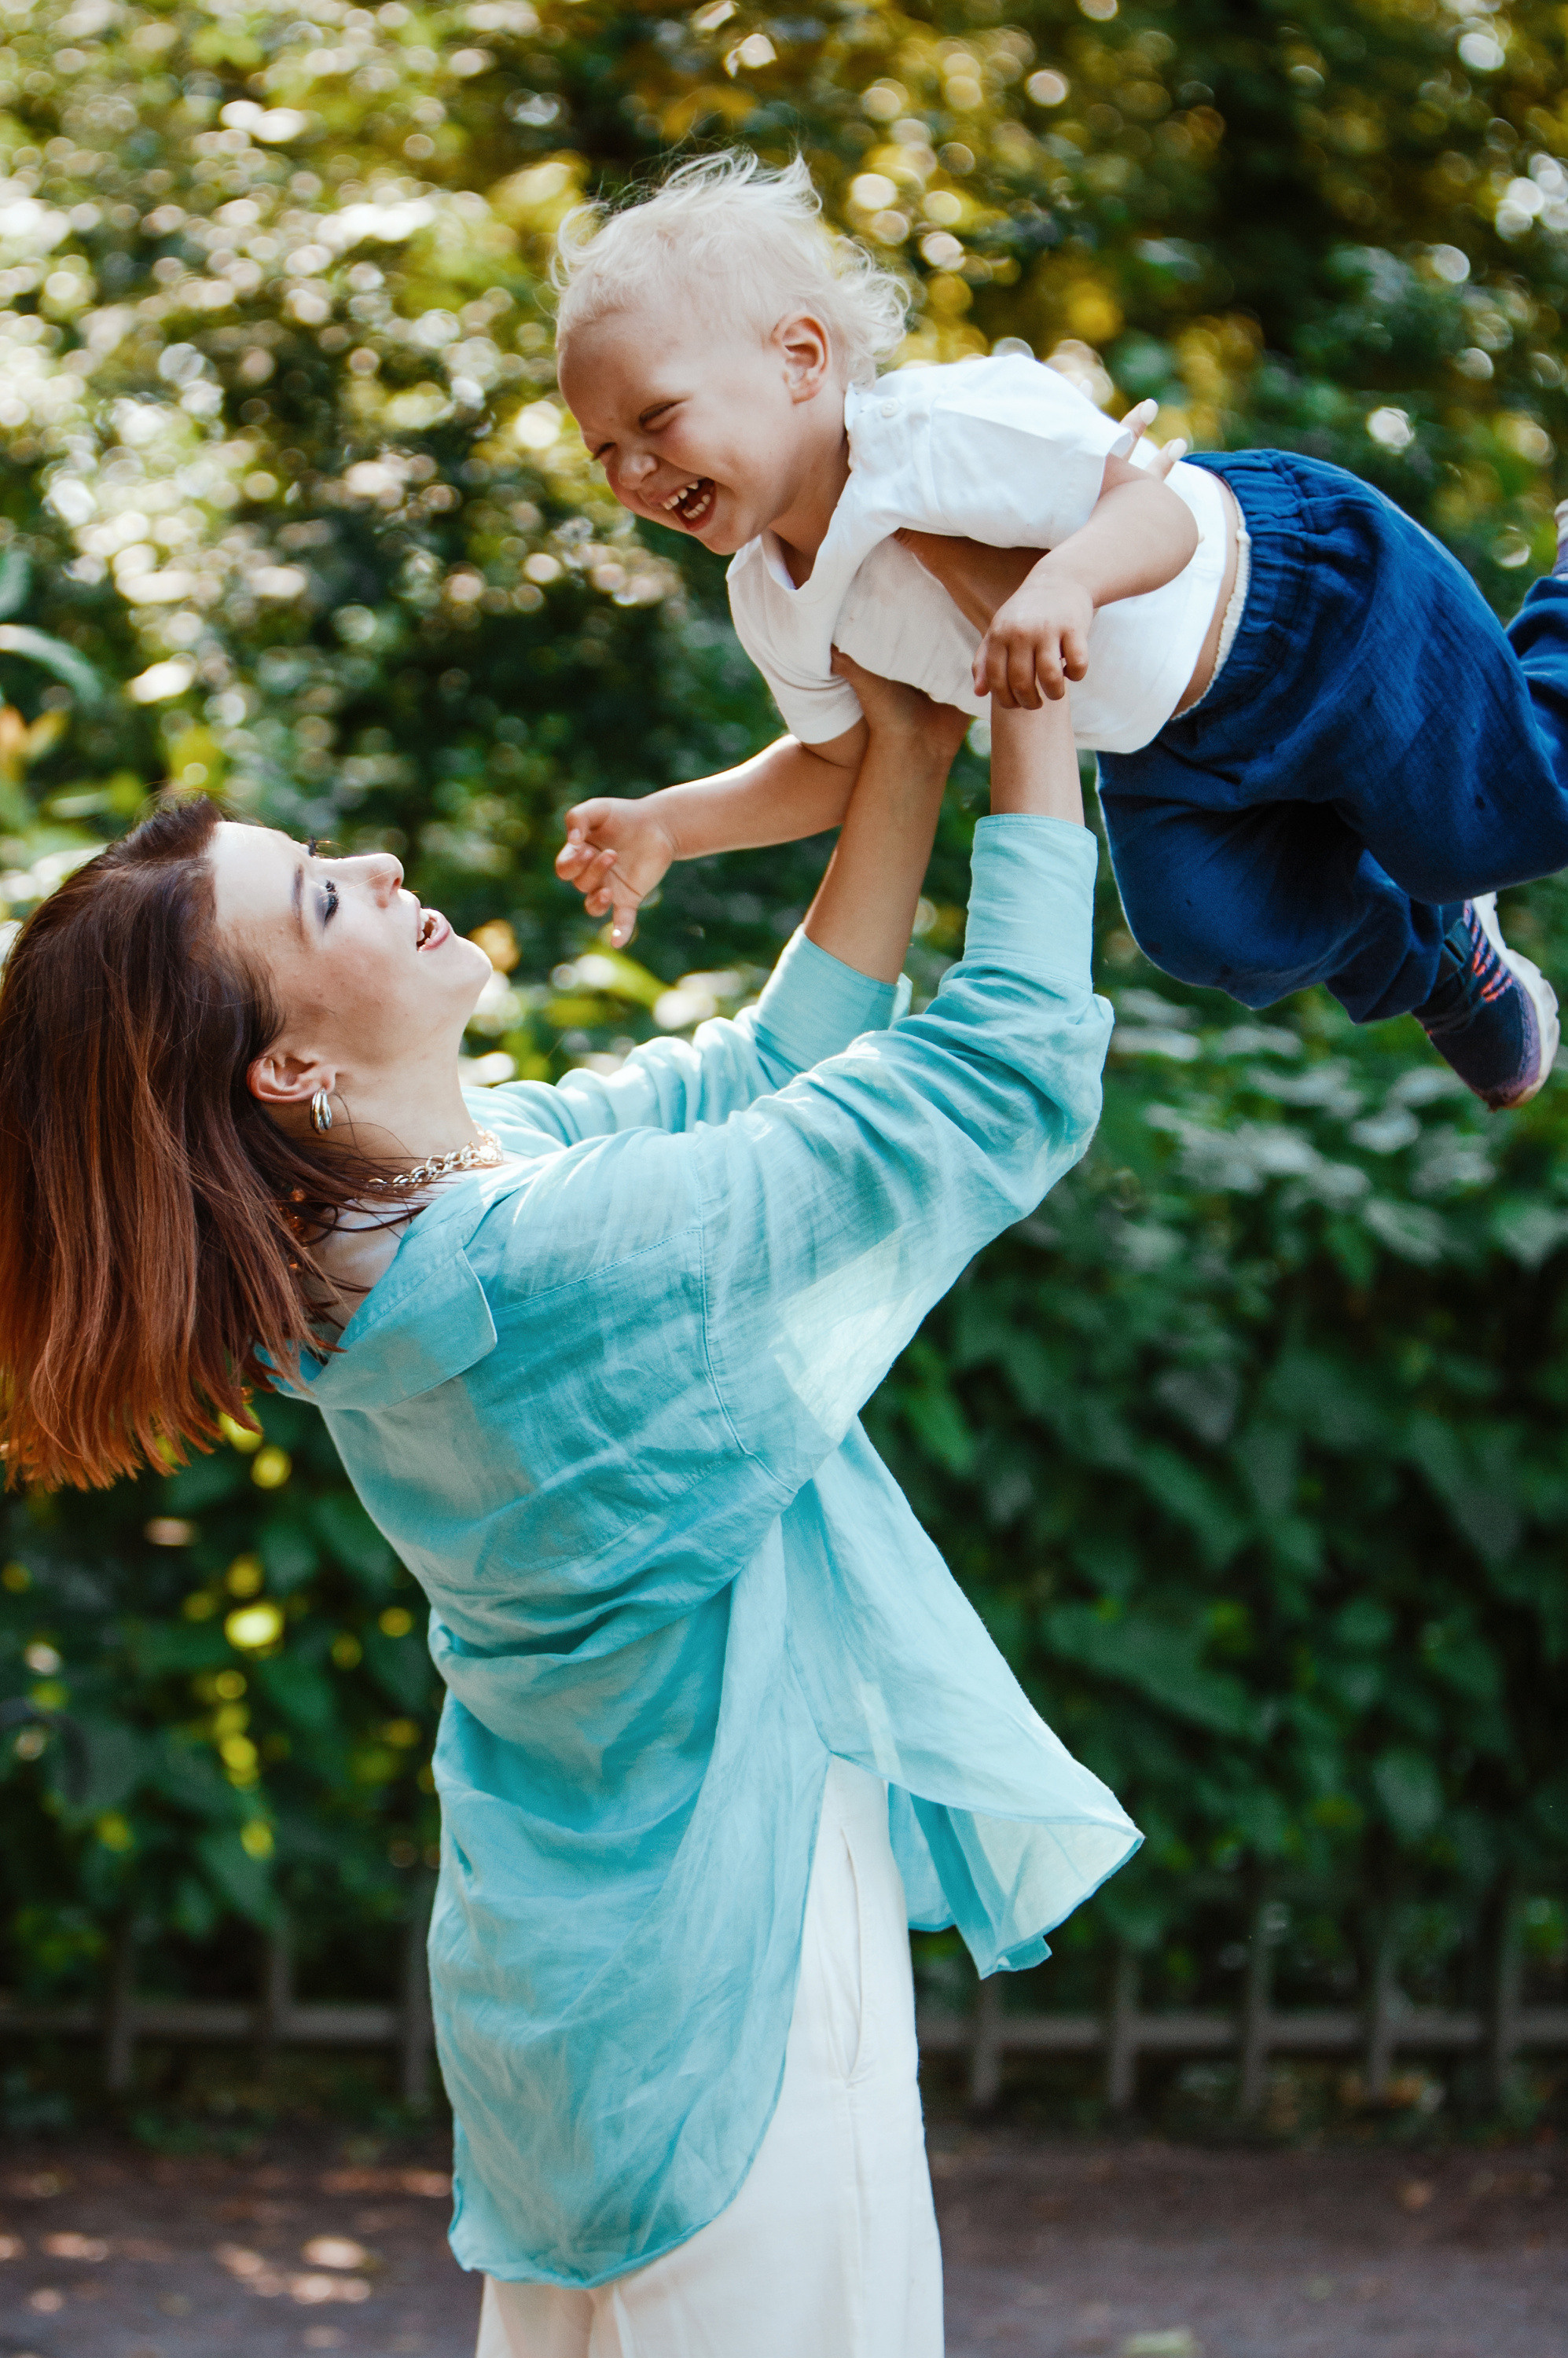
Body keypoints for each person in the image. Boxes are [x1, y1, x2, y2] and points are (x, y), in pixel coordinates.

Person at [0, 659, 1139, 2355]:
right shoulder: (534, 1263)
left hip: (579, 1994)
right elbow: (1004, 1077)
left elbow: (767, 1070)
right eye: (322, 896)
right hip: (726, 1971)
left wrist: (909, 739)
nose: (378, 869)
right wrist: (1033, 701)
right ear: (290, 1068)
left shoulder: (378, 1252)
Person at [552, 149, 1568, 1115]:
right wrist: (672, 824)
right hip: (1167, 746)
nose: (635, 470)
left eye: (658, 418)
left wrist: (1065, 585)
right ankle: (1443, 958)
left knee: (1504, 825)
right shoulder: (772, 598)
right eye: (604, 449)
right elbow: (837, 764)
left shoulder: (932, 435)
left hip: (1307, 613)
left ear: (801, 359)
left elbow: (1155, 511)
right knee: (1208, 930)